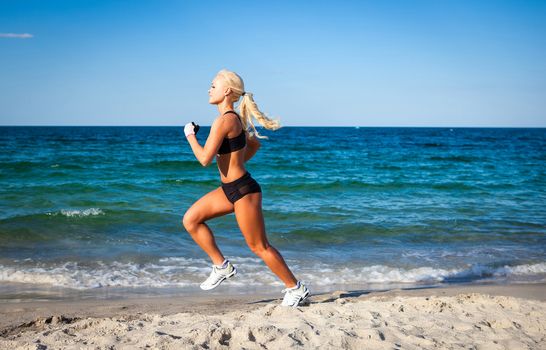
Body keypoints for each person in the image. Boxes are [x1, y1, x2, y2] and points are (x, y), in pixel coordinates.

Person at [182, 69, 309, 307]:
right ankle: (221, 266)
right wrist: (235, 163)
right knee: (191, 220)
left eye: (213, 85)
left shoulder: (225, 120)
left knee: (259, 246)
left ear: (227, 91)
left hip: (243, 191)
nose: (209, 89)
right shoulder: (234, 120)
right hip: (229, 189)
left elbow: (204, 159)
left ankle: (296, 288)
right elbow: (254, 145)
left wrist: (189, 135)